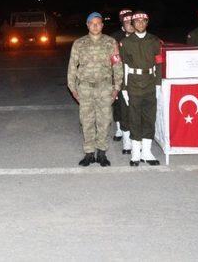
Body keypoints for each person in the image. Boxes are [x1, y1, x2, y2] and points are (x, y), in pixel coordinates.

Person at [67, 12, 123, 167]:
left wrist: (116, 87)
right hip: (85, 88)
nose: (95, 25)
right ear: (87, 25)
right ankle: (89, 153)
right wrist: (72, 88)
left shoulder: (111, 43)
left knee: (104, 121)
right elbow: (72, 66)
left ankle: (102, 153)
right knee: (87, 121)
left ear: (102, 25)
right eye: (92, 23)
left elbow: (117, 65)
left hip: (105, 88)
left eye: (98, 23)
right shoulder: (79, 43)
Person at [119, 11, 163, 166]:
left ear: (147, 22)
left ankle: (147, 152)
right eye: (136, 22)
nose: (140, 24)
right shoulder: (126, 42)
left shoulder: (155, 41)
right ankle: (136, 152)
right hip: (134, 84)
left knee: (149, 118)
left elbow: (158, 64)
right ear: (132, 24)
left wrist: (158, 85)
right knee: (134, 118)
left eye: (143, 21)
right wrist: (124, 88)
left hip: (150, 83)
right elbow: (123, 66)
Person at [109, 10, 134, 153]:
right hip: (119, 77)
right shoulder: (115, 38)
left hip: (135, 79)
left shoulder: (138, 37)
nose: (130, 24)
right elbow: (113, 59)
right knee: (119, 106)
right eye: (126, 21)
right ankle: (120, 130)